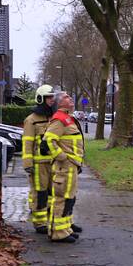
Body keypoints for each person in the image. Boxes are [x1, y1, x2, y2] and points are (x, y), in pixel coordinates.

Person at [43, 92, 85, 243]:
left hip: (71, 165)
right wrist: (62, 157)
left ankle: (65, 228)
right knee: (61, 199)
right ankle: (57, 232)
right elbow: (48, 141)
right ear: (60, 103)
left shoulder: (68, 118)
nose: (71, 98)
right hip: (65, 166)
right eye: (67, 97)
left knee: (69, 198)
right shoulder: (59, 119)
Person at [22, 85, 56, 234]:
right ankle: (40, 223)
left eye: (52, 97)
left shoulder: (53, 118)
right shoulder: (31, 120)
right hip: (39, 164)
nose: (52, 100)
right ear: (41, 99)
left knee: (53, 193)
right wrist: (28, 164)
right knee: (40, 193)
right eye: (49, 97)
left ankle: (50, 218)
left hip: (54, 163)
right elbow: (27, 143)